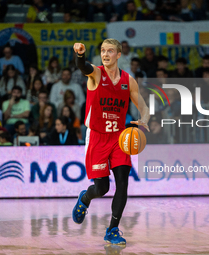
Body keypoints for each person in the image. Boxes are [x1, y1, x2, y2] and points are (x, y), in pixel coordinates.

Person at [72, 39, 150, 245]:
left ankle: (113, 229)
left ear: (119, 55)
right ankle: (85, 198)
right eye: (103, 51)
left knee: (123, 183)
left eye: (110, 51)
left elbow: (143, 106)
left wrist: (145, 118)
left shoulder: (128, 80)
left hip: (119, 137)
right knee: (102, 188)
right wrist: (80, 55)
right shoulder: (96, 74)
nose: (106, 54)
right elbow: (83, 66)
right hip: (97, 136)